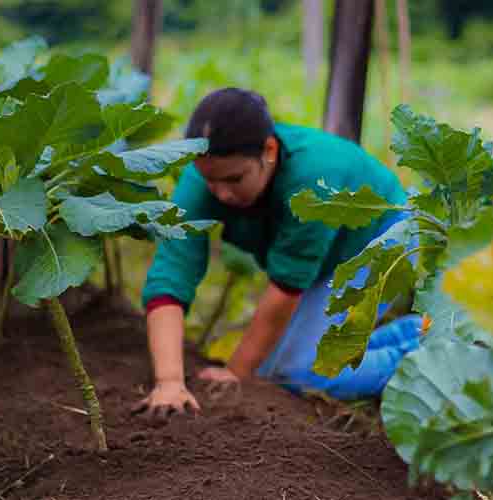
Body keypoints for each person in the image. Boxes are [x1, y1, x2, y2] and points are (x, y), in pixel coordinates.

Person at [133, 87, 421, 417]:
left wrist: (237, 373)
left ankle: (431, 350)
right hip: (326, 257)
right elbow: (171, 273)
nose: (221, 193)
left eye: (234, 179)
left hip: (383, 238)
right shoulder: (203, 179)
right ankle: (412, 332)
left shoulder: (311, 180)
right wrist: (169, 382)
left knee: (298, 372)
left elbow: (286, 288)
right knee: (272, 371)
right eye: (209, 180)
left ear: (268, 150)